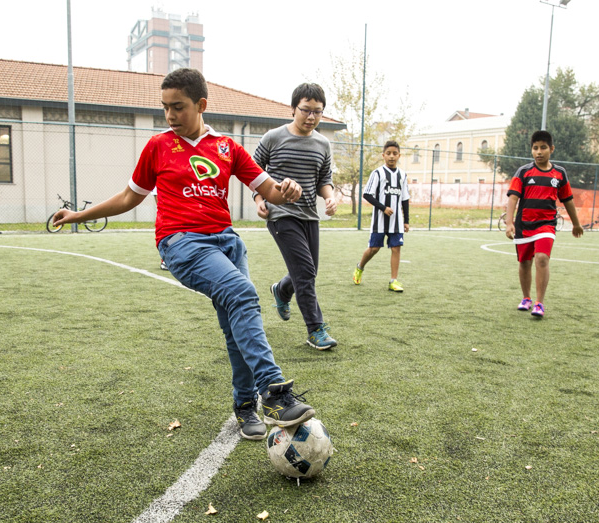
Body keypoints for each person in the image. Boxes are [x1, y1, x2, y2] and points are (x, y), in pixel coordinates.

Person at [51, 68, 315, 440]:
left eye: (178, 107)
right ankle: (274, 393)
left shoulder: (227, 147)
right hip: (182, 243)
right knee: (242, 294)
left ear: (201, 105)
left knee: (235, 324)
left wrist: (286, 190)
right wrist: (78, 215)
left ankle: (244, 406)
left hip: (227, 242)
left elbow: (268, 189)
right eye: (165, 108)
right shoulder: (157, 147)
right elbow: (129, 197)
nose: (170, 116)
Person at [253, 83, 337, 351]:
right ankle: (316, 330)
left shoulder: (323, 144)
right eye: (306, 110)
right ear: (293, 109)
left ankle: (281, 290)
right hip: (281, 214)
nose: (311, 117)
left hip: (310, 216)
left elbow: (324, 179)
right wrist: (259, 199)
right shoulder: (273, 137)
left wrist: (330, 196)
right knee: (304, 273)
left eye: (317, 112)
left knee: (308, 272)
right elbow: (252, 172)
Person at [504, 130, 583, 319]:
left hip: (546, 224)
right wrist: (509, 223)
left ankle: (539, 303)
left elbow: (568, 200)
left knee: (541, 259)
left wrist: (576, 224)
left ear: (551, 149)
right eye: (535, 148)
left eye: (543, 148)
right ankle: (526, 298)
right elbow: (513, 199)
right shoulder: (523, 172)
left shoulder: (560, 173)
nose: (539, 152)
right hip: (524, 224)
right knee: (524, 262)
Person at [353, 141, 410, 292]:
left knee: (396, 248)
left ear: (399, 155)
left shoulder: (403, 175)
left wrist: (407, 221)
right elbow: (367, 194)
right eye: (389, 153)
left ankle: (393, 281)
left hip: (396, 221)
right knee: (374, 248)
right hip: (380, 220)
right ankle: (360, 267)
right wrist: (383, 208)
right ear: (383, 155)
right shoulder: (377, 173)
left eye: (395, 153)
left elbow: (405, 199)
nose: (392, 156)